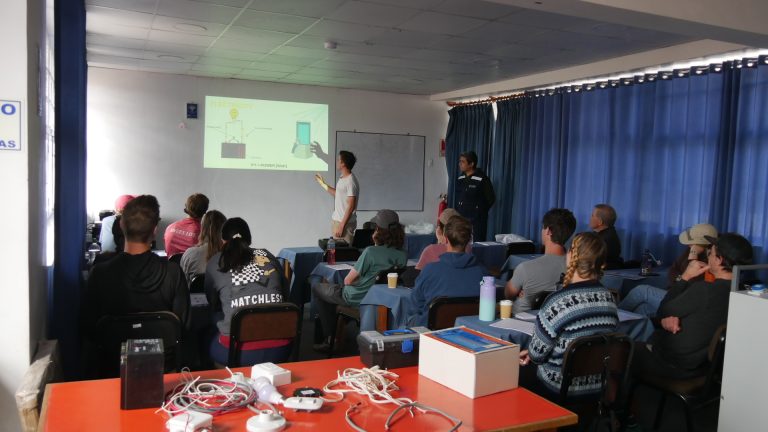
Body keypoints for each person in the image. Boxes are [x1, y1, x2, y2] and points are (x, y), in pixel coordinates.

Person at [633, 233, 753, 379]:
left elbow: (663, 310)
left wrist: (685, 277)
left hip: (677, 364)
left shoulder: (705, 290)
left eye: (711, 252)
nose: (708, 255)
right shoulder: (744, 293)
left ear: (719, 260)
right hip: (707, 366)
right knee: (643, 311)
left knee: (627, 349)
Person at [519, 232, 619, 398]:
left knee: (514, 373)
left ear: (571, 256)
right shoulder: (609, 299)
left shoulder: (558, 302)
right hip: (597, 387)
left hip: (557, 386)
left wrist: (530, 352)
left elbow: (537, 355)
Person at [81, 195, 190, 333]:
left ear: (121, 225)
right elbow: (184, 327)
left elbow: (88, 328)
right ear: (155, 230)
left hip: (111, 353)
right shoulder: (173, 273)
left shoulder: (99, 274)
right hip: (165, 353)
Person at [312, 209, 407, 350]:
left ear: (378, 231)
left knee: (318, 287)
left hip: (355, 297)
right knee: (331, 291)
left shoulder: (370, 252)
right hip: (380, 299)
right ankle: (338, 332)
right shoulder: (402, 255)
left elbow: (348, 281)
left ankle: (331, 338)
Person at [204, 217, 291, 365]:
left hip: (237, 352)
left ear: (223, 241)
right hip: (281, 349)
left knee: (210, 321)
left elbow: (212, 302)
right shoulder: (267, 255)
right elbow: (285, 293)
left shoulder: (216, 261)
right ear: (249, 240)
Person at [619, 223, 717, 318]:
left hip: (685, 298)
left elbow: (692, 283)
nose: (688, 245)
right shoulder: (690, 250)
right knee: (642, 309)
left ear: (702, 245)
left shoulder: (710, 259)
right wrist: (681, 278)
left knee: (642, 290)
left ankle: (612, 317)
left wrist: (693, 257)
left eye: (693, 242)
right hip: (674, 292)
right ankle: (618, 330)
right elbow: (673, 269)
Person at [405, 215, 485, 327]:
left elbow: (414, 305)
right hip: (469, 333)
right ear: (468, 240)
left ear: (445, 238)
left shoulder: (430, 270)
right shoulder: (481, 273)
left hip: (431, 332)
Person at [505, 208, 576, 315]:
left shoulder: (525, 268)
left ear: (548, 231)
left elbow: (508, 294)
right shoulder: (577, 269)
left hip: (519, 320)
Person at [313, 150, 359, 245]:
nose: (337, 162)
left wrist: (342, 225)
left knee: (343, 254)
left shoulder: (351, 181)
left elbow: (351, 206)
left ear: (343, 164)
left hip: (344, 225)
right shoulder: (343, 177)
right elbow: (338, 194)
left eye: (339, 160)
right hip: (337, 221)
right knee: (337, 252)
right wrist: (323, 184)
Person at [454, 151, 495, 241]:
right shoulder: (460, 178)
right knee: (461, 243)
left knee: (477, 245)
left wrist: (479, 211)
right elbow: (458, 197)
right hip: (461, 218)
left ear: (471, 164)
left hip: (477, 221)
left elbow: (491, 199)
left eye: (463, 162)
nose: (460, 164)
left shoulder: (482, 179)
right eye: (460, 161)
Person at [180, 210, 226, 284]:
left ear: (203, 228)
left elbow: (182, 283)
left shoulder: (190, 254)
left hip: (194, 295)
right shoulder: (233, 255)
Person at [164, 193, 210, 258]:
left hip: (171, 267)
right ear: (205, 211)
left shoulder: (169, 227)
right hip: (193, 267)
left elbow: (166, 251)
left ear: (186, 207)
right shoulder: (203, 233)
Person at [588, 204, 623, 269]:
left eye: (592, 215)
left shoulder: (602, 240)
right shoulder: (608, 234)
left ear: (600, 222)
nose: (590, 218)